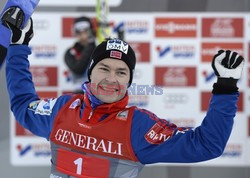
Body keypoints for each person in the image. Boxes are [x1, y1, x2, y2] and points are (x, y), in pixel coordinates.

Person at [3, 10, 245, 178]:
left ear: (129, 80)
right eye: (104, 68)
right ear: (90, 72)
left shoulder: (138, 127)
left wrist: (225, 87)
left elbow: (206, 145)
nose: (111, 79)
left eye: (121, 72)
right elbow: (24, 105)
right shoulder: (62, 109)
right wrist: (18, 48)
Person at [64, 16, 96, 93]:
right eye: (79, 33)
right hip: (79, 94)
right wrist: (91, 45)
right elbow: (79, 69)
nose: (84, 37)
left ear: (91, 32)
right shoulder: (70, 52)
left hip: (99, 94)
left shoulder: (99, 50)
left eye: (86, 32)